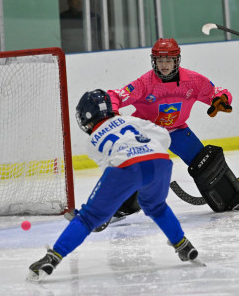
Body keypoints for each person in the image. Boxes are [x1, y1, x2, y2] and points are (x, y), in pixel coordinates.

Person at [27, 89, 199, 282]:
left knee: (87, 218)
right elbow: (163, 136)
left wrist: (102, 210)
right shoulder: (130, 120)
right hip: (160, 161)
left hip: (127, 167)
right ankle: (184, 246)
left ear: (86, 116)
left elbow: (114, 170)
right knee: (157, 207)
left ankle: (53, 257)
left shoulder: (92, 141)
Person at [107, 38, 239, 213]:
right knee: (137, 165)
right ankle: (122, 206)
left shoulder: (193, 80)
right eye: (159, 60)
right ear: (154, 61)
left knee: (206, 163)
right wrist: (113, 113)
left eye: (168, 60)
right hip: (148, 132)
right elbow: (115, 95)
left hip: (178, 130)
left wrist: (222, 99)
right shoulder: (144, 83)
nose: (164, 65)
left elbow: (216, 92)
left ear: (176, 61)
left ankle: (229, 198)